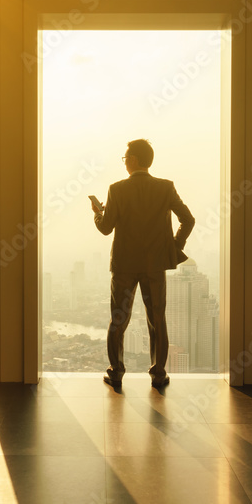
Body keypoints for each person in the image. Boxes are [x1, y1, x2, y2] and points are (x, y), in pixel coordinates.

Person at [91, 139, 194, 389]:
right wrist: (173, 247)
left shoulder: (117, 189)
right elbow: (188, 220)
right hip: (155, 265)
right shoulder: (165, 187)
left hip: (125, 265)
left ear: (134, 160)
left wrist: (97, 212)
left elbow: (105, 229)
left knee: (118, 320)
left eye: (125, 158)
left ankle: (116, 372)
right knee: (157, 319)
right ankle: (159, 374)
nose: (125, 162)